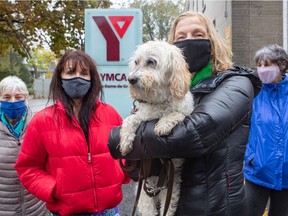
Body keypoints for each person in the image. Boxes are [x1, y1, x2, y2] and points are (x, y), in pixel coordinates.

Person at [108, 11, 262, 216]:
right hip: (170, 201)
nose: (189, 41)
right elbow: (124, 148)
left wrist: (120, 137)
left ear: (213, 41)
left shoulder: (236, 83)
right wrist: (123, 139)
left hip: (212, 208)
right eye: (181, 37)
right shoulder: (159, 92)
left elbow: (190, 135)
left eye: (198, 34)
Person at [15, 50, 129, 216]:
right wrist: (54, 190)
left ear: (92, 78)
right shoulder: (42, 121)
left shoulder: (110, 114)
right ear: (60, 78)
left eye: (84, 73)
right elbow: (27, 168)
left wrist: (120, 175)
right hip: (66, 212)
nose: (78, 77)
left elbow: (125, 152)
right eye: (70, 72)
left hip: (108, 210)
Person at [244, 44, 288, 216]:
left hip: (286, 174)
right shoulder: (253, 92)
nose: (262, 69)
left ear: (282, 65)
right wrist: (250, 157)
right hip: (258, 171)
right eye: (259, 65)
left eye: (267, 65)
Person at [0, 76, 48, 215]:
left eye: (18, 96)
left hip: (35, 208)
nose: (13, 102)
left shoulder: (39, 123)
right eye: (7, 97)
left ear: (26, 98)